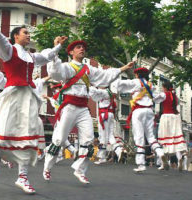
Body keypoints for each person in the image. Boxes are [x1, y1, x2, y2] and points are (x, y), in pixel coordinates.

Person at [0, 7, 66, 194]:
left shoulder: (31, 56)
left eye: (28, 33)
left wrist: (57, 46)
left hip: (29, 97)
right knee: (4, 130)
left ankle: (22, 176)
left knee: (29, 130)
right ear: (16, 36)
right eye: (25, 33)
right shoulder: (8, 51)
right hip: (13, 96)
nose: (28, 36)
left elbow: (47, 55)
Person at [43, 40, 134, 184]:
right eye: (78, 47)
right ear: (71, 52)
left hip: (83, 109)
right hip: (69, 107)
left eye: (83, 47)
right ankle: (47, 167)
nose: (82, 49)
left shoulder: (89, 69)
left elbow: (104, 75)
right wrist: (55, 52)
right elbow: (55, 72)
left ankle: (80, 170)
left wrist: (123, 68)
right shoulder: (67, 66)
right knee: (59, 139)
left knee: (88, 140)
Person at [115, 67, 168, 172]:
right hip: (149, 112)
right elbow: (158, 98)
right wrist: (163, 95)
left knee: (139, 137)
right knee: (151, 136)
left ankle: (141, 164)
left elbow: (121, 84)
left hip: (138, 111)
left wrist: (113, 82)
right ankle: (160, 153)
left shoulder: (135, 82)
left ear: (137, 75)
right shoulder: (150, 85)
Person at [153, 81, 188, 171]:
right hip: (175, 117)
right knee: (175, 140)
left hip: (166, 117)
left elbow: (155, 99)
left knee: (165, 139)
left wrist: (150, 90)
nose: (162, 88)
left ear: (165, 87)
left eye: (162, 87)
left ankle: (162, 163)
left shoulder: (164, 94)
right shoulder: (175, 96)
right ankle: (179, 158)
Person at [89, 86, 125, 165]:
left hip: (104, 115)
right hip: (110, 114)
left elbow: (92, 91)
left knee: (102, 136)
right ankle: (119, 150)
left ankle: (102, 157)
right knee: (110, 136)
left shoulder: (103, 91)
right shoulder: (110, 93)